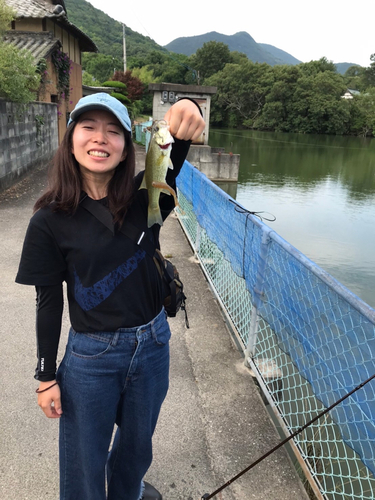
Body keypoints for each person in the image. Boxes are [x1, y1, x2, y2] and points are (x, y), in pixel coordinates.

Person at [15, 92, 205, 500]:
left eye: (113, 131)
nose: (100, 138)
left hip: (153, 343)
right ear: (70, 141)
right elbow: (48, 303)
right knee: (85, 457)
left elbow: (176, 144)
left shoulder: (145, 198)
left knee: (137, 449)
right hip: (91, 356)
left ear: (126, 150)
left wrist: (188, 105)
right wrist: (46, 376)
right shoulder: (48, 220)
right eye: (89, 127)